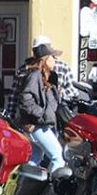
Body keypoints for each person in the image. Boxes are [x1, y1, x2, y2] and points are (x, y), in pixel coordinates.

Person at [16, 41, 65, 172]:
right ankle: (52, 191)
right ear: (45, 59)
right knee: (58, 157)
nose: (56, 60)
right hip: (36, 125)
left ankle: (21, 188)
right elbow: (25, 100)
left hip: (39, 124)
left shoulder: (46, 76)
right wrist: (41, 114)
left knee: (34, 158)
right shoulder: (35, 75)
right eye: (53, 57)